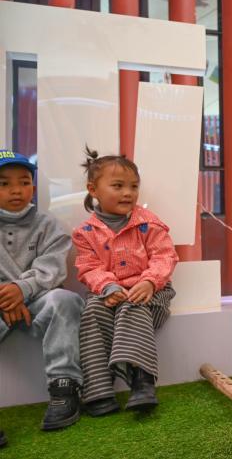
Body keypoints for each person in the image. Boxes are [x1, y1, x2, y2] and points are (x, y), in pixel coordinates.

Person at [74, 148, 178, 416]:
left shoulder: (149, 224)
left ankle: (142, 380)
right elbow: (88, 267)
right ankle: (97, 389)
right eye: (118, 186)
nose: (128, 193)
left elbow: (165, 256)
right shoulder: (85, 232)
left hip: (152, 294)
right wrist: (107, 287)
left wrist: (150, 281)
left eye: (134, 186)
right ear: (93, 189)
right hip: (108, 294)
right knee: (92, 311)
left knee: (132, 305)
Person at [0, 151, 84, 435]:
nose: (16, 190)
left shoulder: (48, 225)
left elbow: (53, 268)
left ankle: (64, 388)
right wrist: (8, 296)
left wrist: (21, 290)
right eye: (4, 183)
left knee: (65, 300)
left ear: (33, 188)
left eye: (24, 182)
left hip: (36, 301)